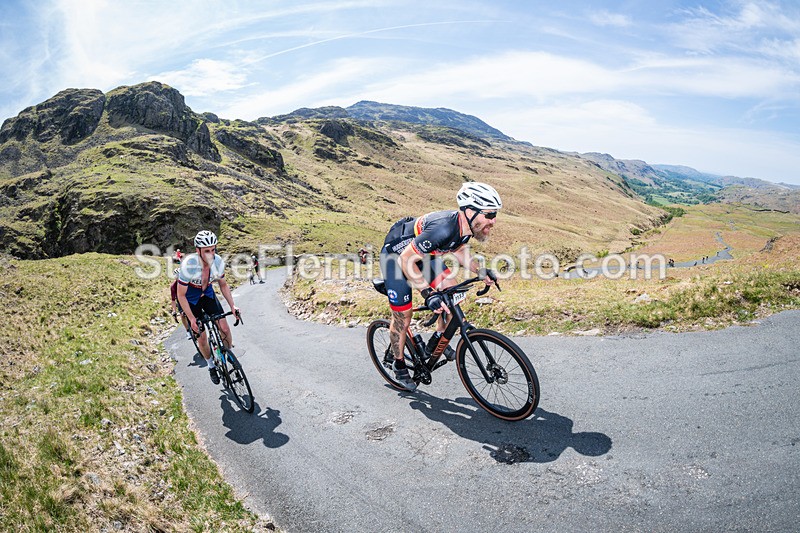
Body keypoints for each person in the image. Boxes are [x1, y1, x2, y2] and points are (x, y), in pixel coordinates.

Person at [379, 182, 501, 391]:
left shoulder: (465, 227)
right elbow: (407, 260)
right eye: (489, 215)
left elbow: (460, 250)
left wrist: (480, 271)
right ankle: (399, 364)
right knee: (403, 317)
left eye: (495, 214)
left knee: (454, 297)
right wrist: (428, 294)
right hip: (397, 258)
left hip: (425, 256)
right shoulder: (443, 228)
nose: (493, 220)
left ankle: (436, 342)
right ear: (470, 211)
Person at [176, 230, 240, 384]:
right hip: (191, 299)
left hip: (208, 294)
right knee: (202, 337)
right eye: (206, 251)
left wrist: (233, 305)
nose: (210, 254)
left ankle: (228, 356)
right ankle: (211, 365)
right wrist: (191, 319)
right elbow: (181, 295)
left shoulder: (217, 261)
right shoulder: (188, 265)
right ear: (198, 250)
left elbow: (223, 285)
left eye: (213, 249)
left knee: (224, 328)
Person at [169, 268, 192, 340]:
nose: (179, 279)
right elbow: (173, 300)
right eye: (177, 278)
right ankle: (188, 331)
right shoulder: (173, 286)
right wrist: (174, 311)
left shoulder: (187, 281)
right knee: (182, 314)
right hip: (180, 300)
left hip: (189, 297)